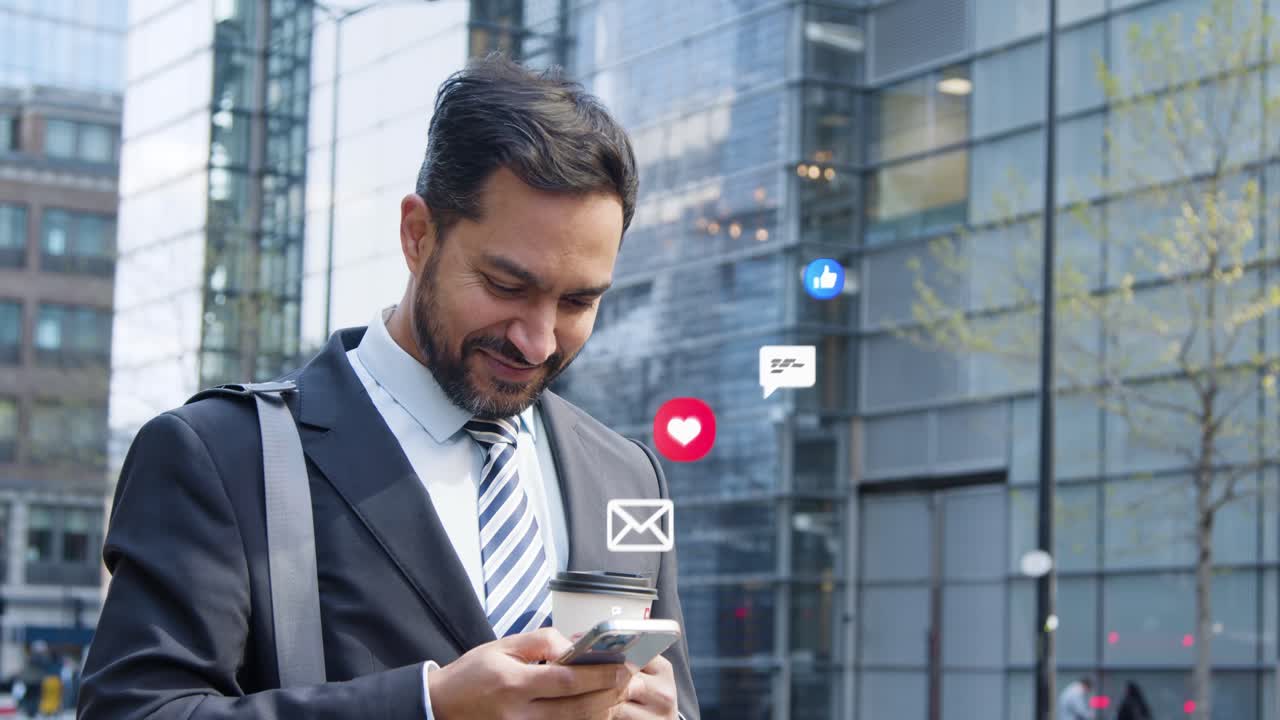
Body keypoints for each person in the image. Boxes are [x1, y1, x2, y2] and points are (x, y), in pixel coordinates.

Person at [78, 55, 698, 720]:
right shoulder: (220, 455)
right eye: (506, 286)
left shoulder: (630, 477)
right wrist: (425, 707)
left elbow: (678, 701)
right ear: (417, 235)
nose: (538, 341)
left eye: (577, 301)